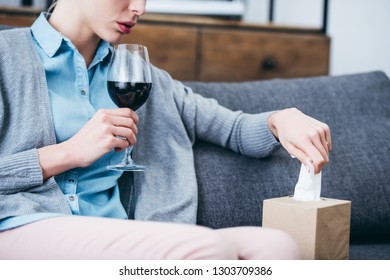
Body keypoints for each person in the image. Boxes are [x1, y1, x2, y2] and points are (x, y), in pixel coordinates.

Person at [0, 0, 331, 260]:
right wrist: (67, 153)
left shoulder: (144, 78)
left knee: (276, 248)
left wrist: (280, 120)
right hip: (20, 226)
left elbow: (233, 128)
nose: (140, 8)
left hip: (114, 233)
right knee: (206, 251)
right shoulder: (5, 57)